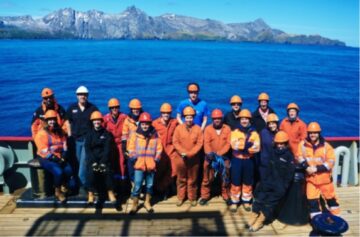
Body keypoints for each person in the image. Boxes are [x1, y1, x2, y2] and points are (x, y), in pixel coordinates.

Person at [248, 131, 295, 232]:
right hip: (268, 181)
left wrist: (284, 186)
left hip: (279, 185)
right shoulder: (273, 152)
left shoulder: (289, 156)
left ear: (286, 143)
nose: (280, 145)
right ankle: (254, 215)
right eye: (278, 143)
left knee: (269, 204)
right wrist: (263, 180)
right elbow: (268, 167)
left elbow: (289, 174)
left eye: (282, 143)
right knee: (259, 198)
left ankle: (260, 221)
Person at [296, 122, 340, 219]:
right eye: (311, 132)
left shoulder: (326, 147)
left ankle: (337, 219)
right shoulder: (302, 145)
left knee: (331, 201)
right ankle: (317, 222)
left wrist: (316, 169)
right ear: (308, 133)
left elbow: (331, 162)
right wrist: (306, 167)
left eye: (315, 132)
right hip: (311, 180)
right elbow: (299, 157)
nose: (313, 135)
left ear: (319, 133)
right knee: (312, 202)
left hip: (325, 181)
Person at [34, 110, 74, 203]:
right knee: (59, 172)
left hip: (59, 156)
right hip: (46, 158)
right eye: (50, 120)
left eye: (53, 119)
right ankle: (57, 191)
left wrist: (64, 155)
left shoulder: (60, 132)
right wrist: (55, 159)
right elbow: (43, 151)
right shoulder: (42, 134)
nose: (52, 122)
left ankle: (63, 184)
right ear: (46, 121)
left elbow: (64, 144)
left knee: (69, 170)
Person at [128, 112, 162, 214]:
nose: (145, 126)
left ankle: (147, 202)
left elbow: (159, 149)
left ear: (150, 124)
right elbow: (130, 148)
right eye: (143, 124)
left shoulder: (155, 135)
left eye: (147, 123)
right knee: (137, 185)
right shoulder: (135, 135)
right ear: (140, 124)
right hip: (139, 165)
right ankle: (135, 204)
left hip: (151, 165)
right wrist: (134, 159)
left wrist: (156, 160)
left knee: (149, 185)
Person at [66, 86, 98, 188]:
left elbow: (97, 122)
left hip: (87, 141)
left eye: (84, 94)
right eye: (80, 94)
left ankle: (85, 185)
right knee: (77, 163)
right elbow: (67, 121)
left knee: (83, 165)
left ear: (87, 95)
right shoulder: (72, 108)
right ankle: (78, 184)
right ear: (77, 96)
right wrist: (69, 135)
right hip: (75, 141)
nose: (82, 96)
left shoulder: (93, 108)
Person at [229, 109, 260, 212]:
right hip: (237, 160)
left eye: (246, 119)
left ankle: (246, 200)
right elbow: (234, 145)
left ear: (249, 120)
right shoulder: (235, 131)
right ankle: (234, 201)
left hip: (248, 160)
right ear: (239, 120)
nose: (244, 121)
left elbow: (257, 147)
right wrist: (248, 146)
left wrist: (244, 147)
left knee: (248, 181)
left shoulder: (254, 132)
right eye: (242, 119)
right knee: (236, 180)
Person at [199, 109, 231, 206]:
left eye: (219, 118)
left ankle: (226, 195)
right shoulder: (208, 129)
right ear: (212, 119)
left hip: (223, 157)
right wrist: (211, 155)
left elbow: (228, 144)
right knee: (206, 177)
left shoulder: (227, 129)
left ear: (222, 118)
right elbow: (206, 144)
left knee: (225, 176)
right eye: (215, 118)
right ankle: (205, 196)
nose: (217, 120)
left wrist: (219, 154)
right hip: (210, 158)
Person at [173, 106, 204, 206]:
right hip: (180, 159)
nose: (189, 119)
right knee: (181, 179)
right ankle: (181, 197)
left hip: (194, 159)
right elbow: (175, 142)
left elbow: (200, 143)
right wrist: (183, 152)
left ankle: (192, 198)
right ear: (183, 118)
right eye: (187, 117)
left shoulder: (198, 129)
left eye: (191, 117)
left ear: (193, 117)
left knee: (193, 179)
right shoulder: (178, 128)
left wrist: (190, 153)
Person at [85, 111, 117, 206]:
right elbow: (88, 149)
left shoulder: (106, 134)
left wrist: (103, 162)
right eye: (95, 120)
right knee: (90, 172)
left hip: (104, 158)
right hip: (93, 159)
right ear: (92, 122)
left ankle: (110, 192)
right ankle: (91, 193)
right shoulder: (89, 134)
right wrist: (94, 162)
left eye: (98, 120)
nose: (97, 122)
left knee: (108, 171)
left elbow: (107, 149)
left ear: (101, 121)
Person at [152, 103, 178, 198]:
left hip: (172, 151)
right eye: (164, 113)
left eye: (168, 113)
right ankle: (162, 189)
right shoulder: (155, 124)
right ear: (161, 113)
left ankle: (163, 187)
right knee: (159, 171)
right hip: (160, 152)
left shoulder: (175, 122)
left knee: (174, 170)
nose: (166, 114)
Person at [103, 98, 128, 192]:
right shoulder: (105, 119)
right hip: (111, 144)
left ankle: (123, 185)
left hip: (121, 144)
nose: (114, 109)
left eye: (116, 107)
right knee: (112, 164)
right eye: (112, 107)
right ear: (109, 108)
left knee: (122, 164)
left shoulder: (124, 117)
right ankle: (113, 185)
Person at [121, 98, 143, 185]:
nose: (136, 110)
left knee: (141, 170)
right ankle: (134, 189)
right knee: (131, 171)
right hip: (131, 150)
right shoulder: (127, 120)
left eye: (137, 108)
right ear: (131, 109)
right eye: (134, 109)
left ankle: (141, 189)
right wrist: (124, 148)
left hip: (142, 150)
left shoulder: (144, 119)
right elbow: (124, 135)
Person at [258, 113, 279, 182]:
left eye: (273, 123)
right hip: (264, 162)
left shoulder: (280, 133)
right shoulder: (263, 132)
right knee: (264, 181)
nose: (271, 126)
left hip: (276, 163)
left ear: (277, 123)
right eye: (269, 124)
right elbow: (258, 146)